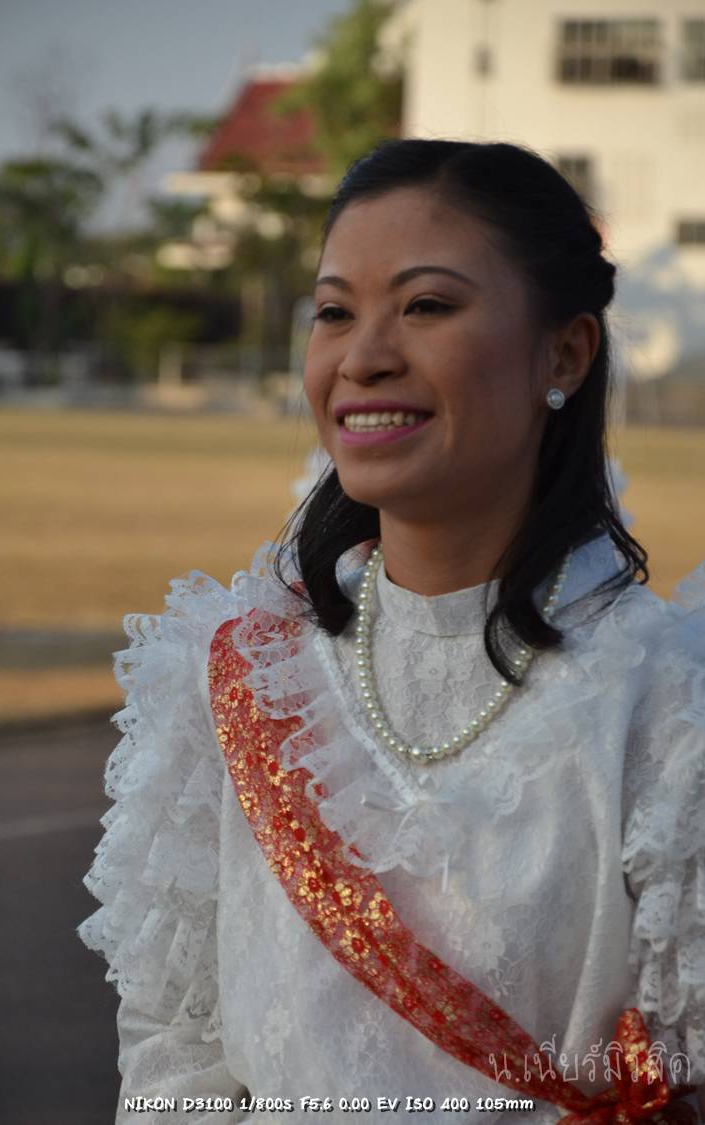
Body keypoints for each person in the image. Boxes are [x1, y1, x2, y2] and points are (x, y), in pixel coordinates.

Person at [77, 139, 705, 1125]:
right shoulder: (238, 677)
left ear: (565, 353)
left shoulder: (668, 703)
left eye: (426, 306)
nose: (362, 357)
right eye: (334, 312)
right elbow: (175, 1058)